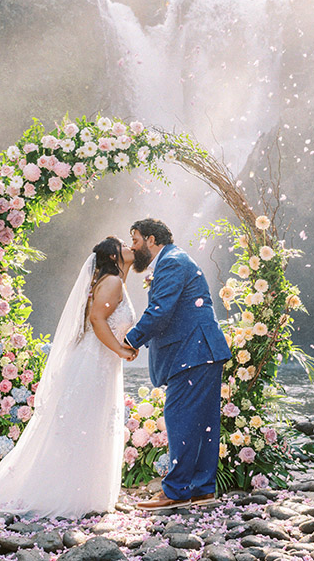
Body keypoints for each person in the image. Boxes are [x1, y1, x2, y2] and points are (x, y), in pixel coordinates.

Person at [0, 236, 138, 519]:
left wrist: (119, 346)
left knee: (88, 423)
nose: (131, 248)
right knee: (86, 424)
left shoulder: (113, 280)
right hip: (94, 364)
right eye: (125, 246)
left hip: (97, 361)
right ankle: (73, 495)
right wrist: (120, 349)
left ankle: (87, 493)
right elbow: (97, 320)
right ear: (115, 256)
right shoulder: (113, 283)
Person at [123, 218, 231, 511]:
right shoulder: (175, 259)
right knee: (203, 422)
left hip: (193, 352)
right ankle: (202, 488)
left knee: (180, 417)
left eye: (135, 239)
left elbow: (160, 312)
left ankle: (177, 491)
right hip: (202, 350)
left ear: (152, 239)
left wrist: (130, 341)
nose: (133, 247)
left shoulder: (170, 262)